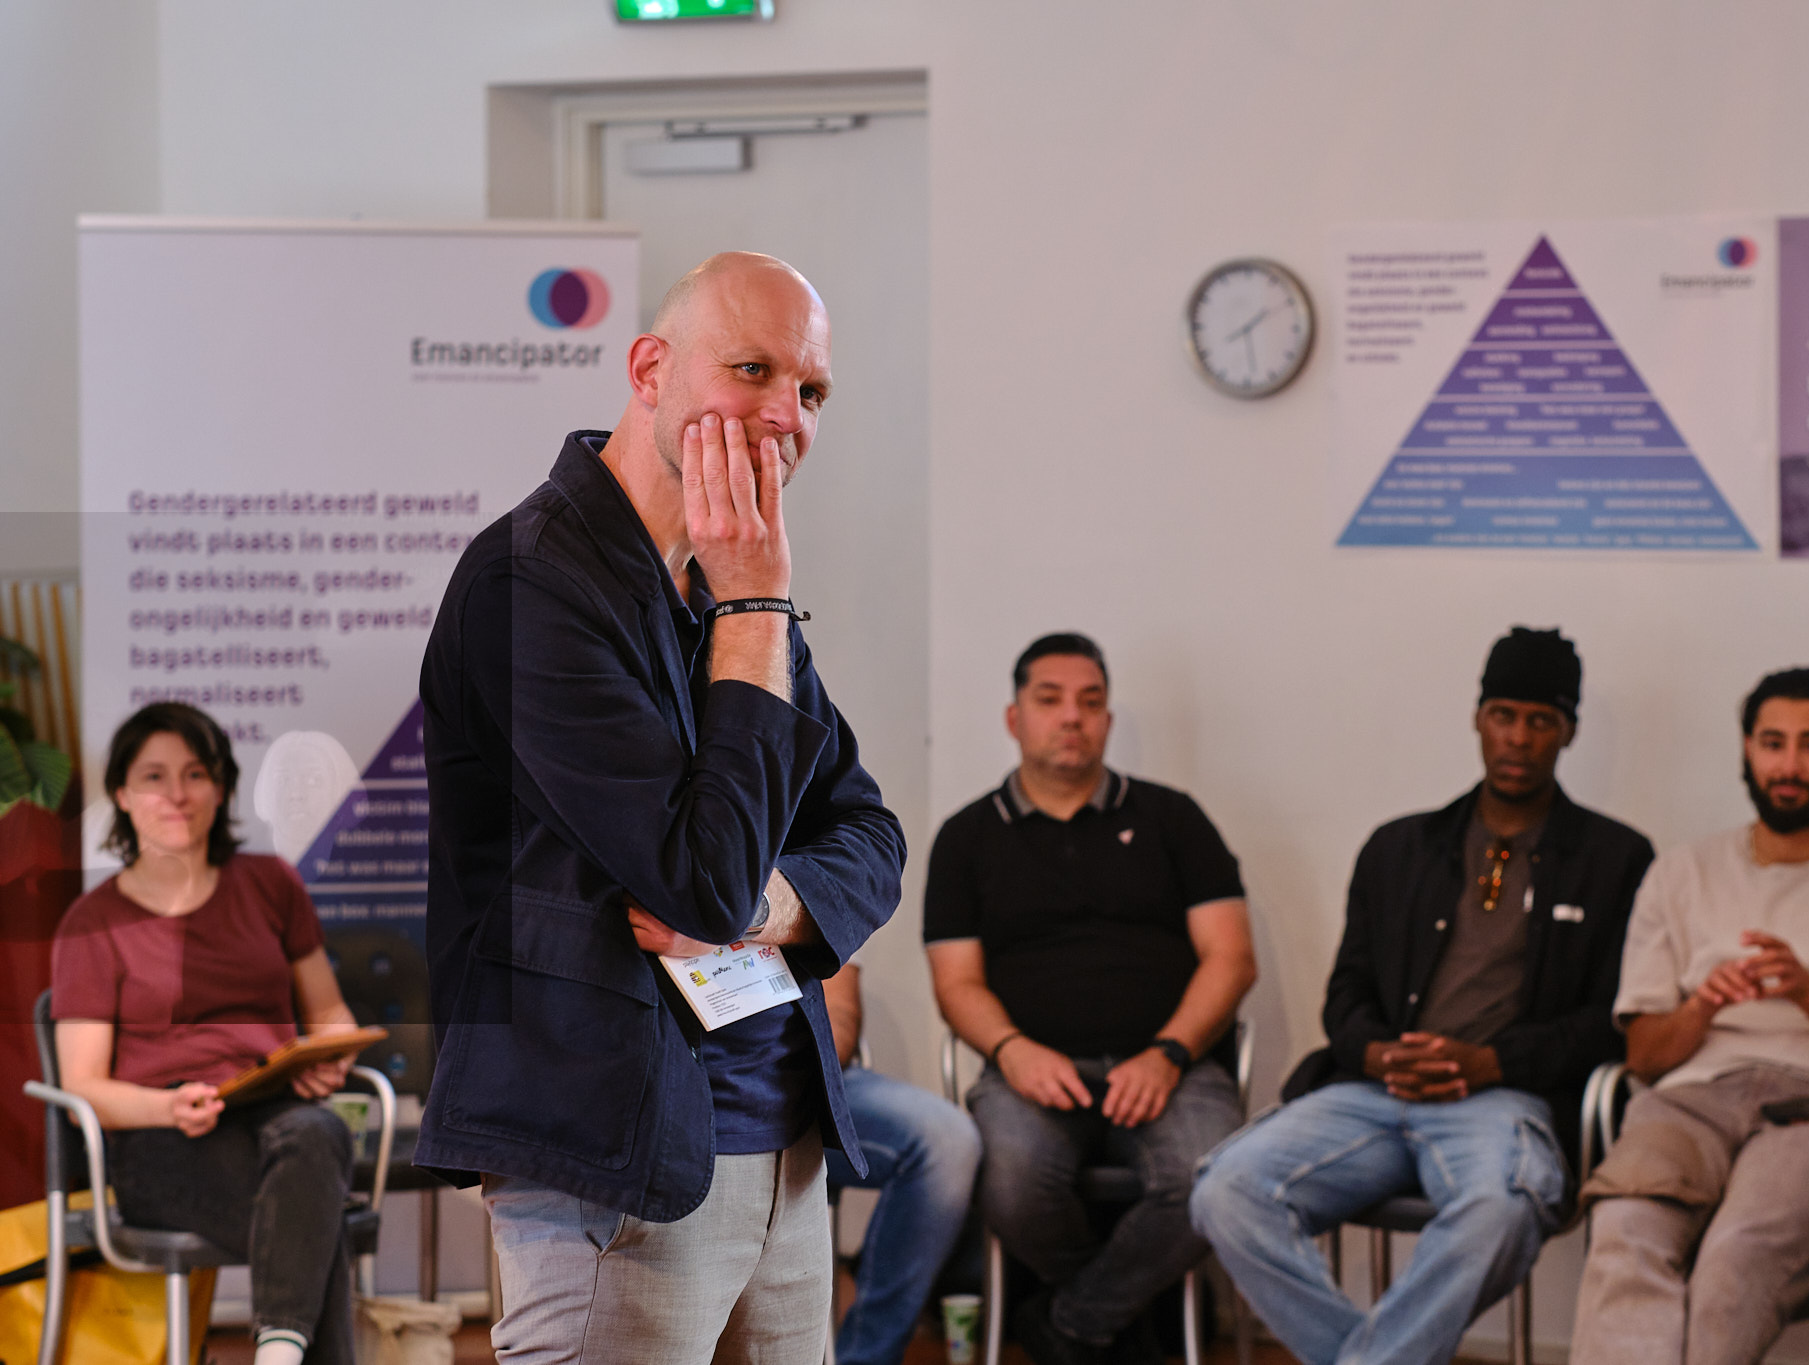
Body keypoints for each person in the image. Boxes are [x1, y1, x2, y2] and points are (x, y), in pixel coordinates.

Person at [416, 252, 906, 1363]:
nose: (785, 416)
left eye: (812, 391)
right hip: (614, 1157)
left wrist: (775, 909)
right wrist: (756, 603)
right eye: (752, 370)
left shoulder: (727, 589)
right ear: (649, 370)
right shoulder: (529, 580)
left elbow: (869, 835)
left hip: (782, 1146)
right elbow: (699, 880)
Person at [1190, 626, 1653, 1365]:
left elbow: (1612, 1021)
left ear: (1568, 731)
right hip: (1374, 1091)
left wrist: (1491, 1062)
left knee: (1503, 1209)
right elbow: (1346, 995)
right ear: (1478, 718)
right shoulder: (1399, 847)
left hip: (1502, 1101)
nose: (1519, 738)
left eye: (1541, 720)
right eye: (1504, 715)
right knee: (1225, 1190)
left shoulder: (1616, 858)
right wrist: (1378, 1053)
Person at [1570, 667, 1809, 1365]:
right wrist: (1703, 1005)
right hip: (1688, 1101)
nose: (1789, 765)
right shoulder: (1680, 873)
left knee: (1734, 1260)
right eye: (1773, 743)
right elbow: (1644, 1055)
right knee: (1624, 1231)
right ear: (1747, 750)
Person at [924, 632, 1256, 1365]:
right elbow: (956, 982)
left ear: (1107, 719)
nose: (1072, 716)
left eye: (1091, 701)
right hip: (1030, 1070)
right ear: (1014, 717)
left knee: (1214, 1178)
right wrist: (1013, 1051)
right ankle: (1123, 1326)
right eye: (1050, 699)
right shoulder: (966, 837)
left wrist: (1168, 1054)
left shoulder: (1174, 819)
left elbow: (1232, 959)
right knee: (1010, 1181)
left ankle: (1069, 1324)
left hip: (1173, 1067)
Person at [50, 702, 363, 1365]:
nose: (177, 793)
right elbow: (82, 1088)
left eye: (195, 773)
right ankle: (280, 1352)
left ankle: (276, 1353)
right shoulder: (92, 921)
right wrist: (168, 1106)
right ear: (122, 794)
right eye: (154, 776)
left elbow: (331, 1014)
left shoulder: (271, 883)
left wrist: (329, 1057)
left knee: (319, 1132)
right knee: (316, 1220)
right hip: (161, 1136)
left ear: (220, 788)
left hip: (275, 1111)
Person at [820, 952, 983, 1365]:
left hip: (806, 1076)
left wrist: (789, 1070)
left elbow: (839, 1010)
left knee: (947, 1139)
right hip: (691, 1082)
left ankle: (867, 1356)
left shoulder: (811, 906)